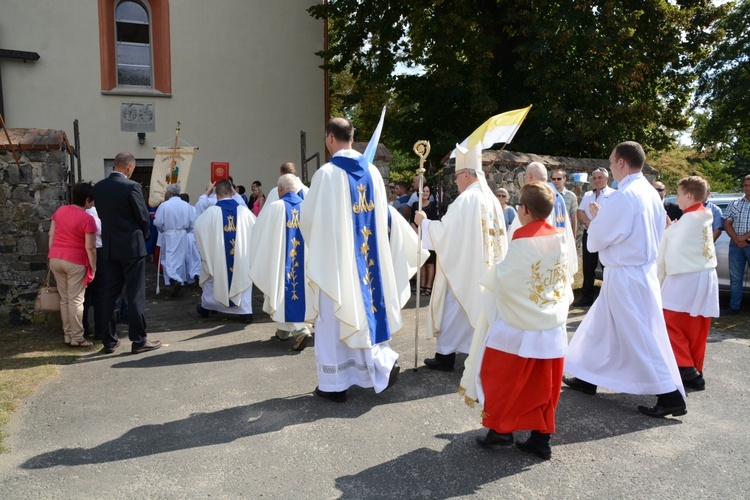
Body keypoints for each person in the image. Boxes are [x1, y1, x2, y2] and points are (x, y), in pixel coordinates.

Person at [564, 141, 686, 418]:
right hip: (638, 270)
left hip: (626, 273)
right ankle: (587, 377)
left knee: (638, 334)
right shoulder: (649, 192)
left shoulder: (625, 195)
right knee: (601, 327)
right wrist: (604, 219)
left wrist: (597, 220)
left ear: (621, 163)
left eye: (610, 161)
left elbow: (598, 239)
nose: (608, 166)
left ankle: (670, 395)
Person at [300, 117, 412, 403]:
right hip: (367, 260)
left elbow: (309, 219)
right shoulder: (373, 172)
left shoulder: (325, 175)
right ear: (352, 137)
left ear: (329, 139)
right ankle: (379, 365)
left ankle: (334, 384)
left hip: (337, 265)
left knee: (334, 320)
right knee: (364, 315)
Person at [460, 182, 573, 460]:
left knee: (501, 378)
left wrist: (490, 274)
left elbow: (506, 280)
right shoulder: (560, 237)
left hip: (520, 327)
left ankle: (501, 431)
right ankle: (541, 438)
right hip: (552, 327)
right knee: (545, 385)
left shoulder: (523, 240)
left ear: (523, 209)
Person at [414, 143, 508, 372]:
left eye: (457, 176)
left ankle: (445, 356)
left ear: (466, 174)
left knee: (452, 308)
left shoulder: (467, 200)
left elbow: (446, 233)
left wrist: (423, 223)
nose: (455, 181)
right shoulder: (493, 200)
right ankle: (474, 354)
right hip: (487, 268)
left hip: (466, 269)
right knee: (478, 310)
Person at [94, 152, 161, 354]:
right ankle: (139, 339)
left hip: (110, 246)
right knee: (135, 294)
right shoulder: (131, 187)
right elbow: (142, 216)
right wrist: (145, 234)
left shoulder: (98, 187)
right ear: (130, 168)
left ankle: (109, 340)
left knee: (111, 294)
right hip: (132, 246)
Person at [657, 176, 719, 391]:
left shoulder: (689, 220)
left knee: (668, 320)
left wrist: (667, 229)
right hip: (704, 275)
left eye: (679, 194)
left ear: (689, 196)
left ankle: (686, 369)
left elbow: (672, 246)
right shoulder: (704, 214)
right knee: (696, 325)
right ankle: (694, 370)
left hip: (686, 276)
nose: (677, 198)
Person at [249, 174, 314, 351]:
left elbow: (259, 234)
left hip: (281, 261)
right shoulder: (308, 207)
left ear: (279, 189)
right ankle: (284, 329)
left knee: (282, 290)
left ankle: (300, 331)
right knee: (300, 291)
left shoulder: (274, 207)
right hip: (305, 264)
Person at [194, 179, 256, 323]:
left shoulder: (210, 212)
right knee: (241, 275)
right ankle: (245, 311)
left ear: (216, 195)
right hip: (241, 259)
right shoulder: (244, 212)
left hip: (218, 260)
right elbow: (257, 230)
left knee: (213, 275)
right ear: (232, 193)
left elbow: (198, 229)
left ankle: (207, 307)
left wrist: (207, 255)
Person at [48, 182, 98, 347]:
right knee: (76, 299)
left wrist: (52, 253)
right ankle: (77, 337)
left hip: (56, 257)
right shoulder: (87, 219)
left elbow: (51, 234)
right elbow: (90, 247)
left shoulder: (60, 211)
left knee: (64, 299)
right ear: (87, 200)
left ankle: (68, 335)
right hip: (75, 261)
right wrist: (94, 266)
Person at [508, 162, 578, 278]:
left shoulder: (534, 197)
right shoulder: (558, 197)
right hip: (557, 257)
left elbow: (517, 234)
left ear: (530, 177)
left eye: (525, 178)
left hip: (537, 262)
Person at [574, 167, 615, 307]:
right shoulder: (587, 195)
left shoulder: (614, 194)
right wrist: (587, 222)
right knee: (588, 265)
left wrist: (597, 222)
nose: (597, 181)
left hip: (605, 234)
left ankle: (607, 297)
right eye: (595, 178)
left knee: (605, 265)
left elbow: (612, 215)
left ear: (607, 179)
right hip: (589, 232)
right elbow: (580, 211)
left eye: (600, 177)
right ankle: (587, 296)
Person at [154, 184, 195, 297]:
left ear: (170, 193)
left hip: (169, 233)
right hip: (182, 234)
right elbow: (192, 222)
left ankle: (175, 279)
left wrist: (163, 230)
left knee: (168, 258)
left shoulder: (165, 205)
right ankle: (178, 283)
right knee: (179, 259)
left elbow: (158, 222)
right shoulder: (186, 205)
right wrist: (184, 231)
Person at [721, 174, 750, 315]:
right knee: (735, 277)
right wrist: (736, 238)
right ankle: (734, 307)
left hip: (745, 242)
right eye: (745, 185)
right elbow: (726, 222)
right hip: (736, 246)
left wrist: (744, 237)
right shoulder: (735, 203)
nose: (747, 188)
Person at [410, 185, 440, 296]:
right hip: (419, 236)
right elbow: (412, 220)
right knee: (422, 262)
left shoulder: (433, 205)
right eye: (424, 191)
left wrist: (424, 229)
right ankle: (421, 285)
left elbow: (433, 221)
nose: (426, 193)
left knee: (430, 263)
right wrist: (416, 229)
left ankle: (428, 286)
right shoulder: (415, 205)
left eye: (428, 191)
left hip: (429, 236)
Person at [82, 204, 104, 339]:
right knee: (99, 292)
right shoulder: (93, 213)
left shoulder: (74, 212)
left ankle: (83, 327)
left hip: (80, 251)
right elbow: (99, 230)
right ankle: (100, 328)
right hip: (96, 249)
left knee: (84, 293)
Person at [551, 169, 578, 237]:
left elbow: (573, 218)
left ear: (564, 179)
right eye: (554, 179)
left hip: (565, 233)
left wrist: (573, 236)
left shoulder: (571, 196)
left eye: (559, 179)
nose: (556, 181)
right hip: (551, 232)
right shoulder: (547, 195)